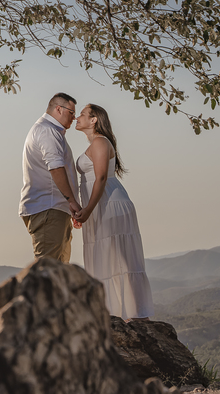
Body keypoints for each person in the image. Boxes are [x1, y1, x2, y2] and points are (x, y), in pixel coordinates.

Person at [72, 103, 154, 320]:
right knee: (106, 259)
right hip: (99, 206)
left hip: (110, 205)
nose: (77, 117)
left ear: (94, 120)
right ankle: (113, 313)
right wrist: (83, 210)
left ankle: (139, 316)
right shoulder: (96, 143)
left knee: (124, 262)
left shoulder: (100, 142)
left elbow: (100, 177)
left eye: (82, 114)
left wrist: (87, 210)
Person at [19, 93, 82, 262]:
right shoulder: (48, 131)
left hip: (54, 208)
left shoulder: (49, 131)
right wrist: (72, 201)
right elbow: (55, 168)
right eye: (71, 112)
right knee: (47, 270)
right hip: (49, 209)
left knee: (58, 270)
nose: (74, 117)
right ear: (58, 109)